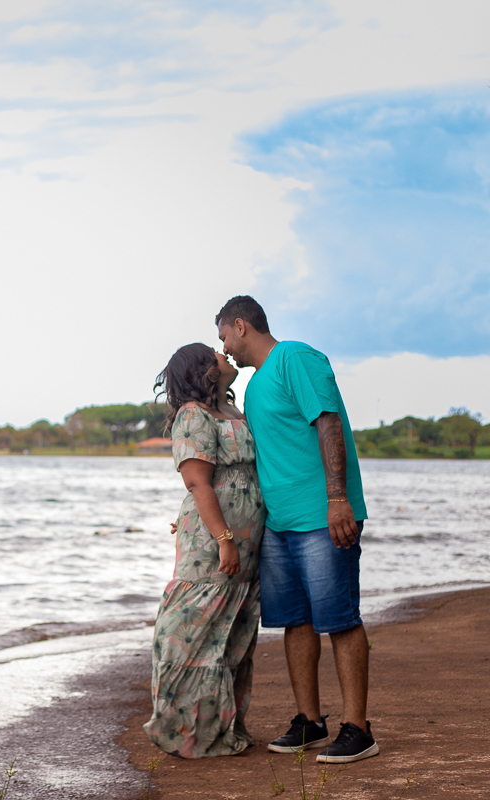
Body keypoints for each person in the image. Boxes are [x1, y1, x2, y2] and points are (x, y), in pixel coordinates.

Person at [215, 295, 378, 764]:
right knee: (295, 622)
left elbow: (327, 422)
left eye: (223, 336)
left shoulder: (296, 357)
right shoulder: (253, 387)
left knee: (340, 619)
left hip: (321, 516)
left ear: (240, 326)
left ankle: (358, 729)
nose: (223, 347)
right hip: (279, 525)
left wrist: (337, 498)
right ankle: (310, 722)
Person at [144, 343, 265, 758]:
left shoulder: (232, 413)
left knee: (231, 633)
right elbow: (198, 484)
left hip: (246, 541)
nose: (224, 354)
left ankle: (216, 728)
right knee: (190, 627)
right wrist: (223, 538)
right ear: (202, 368)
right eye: (215, 352)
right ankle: (179, 728)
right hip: (217, 540)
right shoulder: (193, 415)